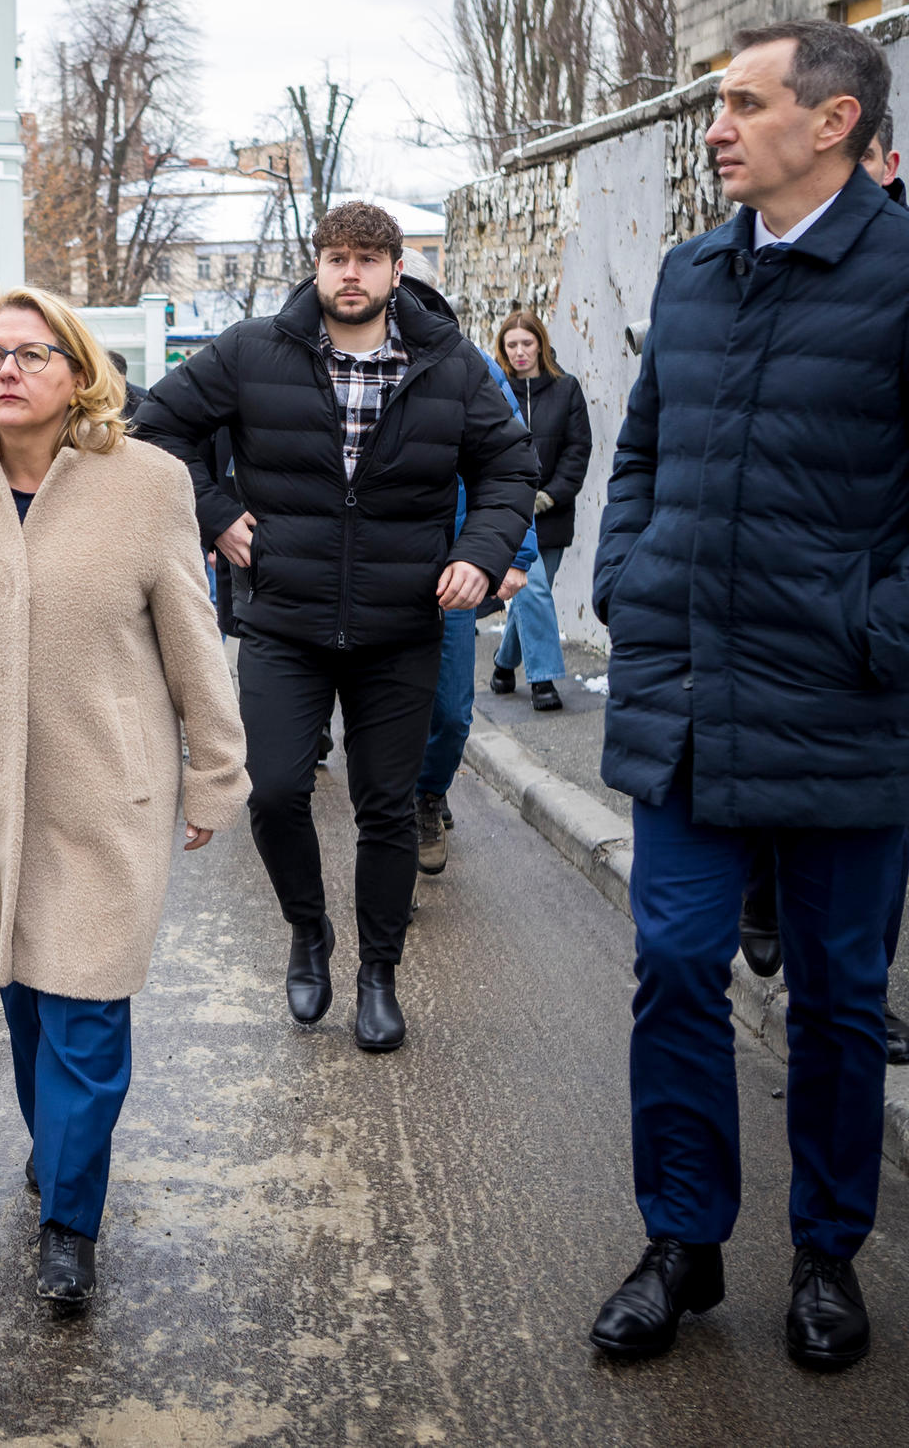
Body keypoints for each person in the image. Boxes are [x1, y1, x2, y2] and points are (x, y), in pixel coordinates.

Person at [585, 22, 909, 1373]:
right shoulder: (691, 275)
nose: (716, 124)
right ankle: (683, 1240)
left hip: (844, 709)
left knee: (840, 997)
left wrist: (879, 625)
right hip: (684, 703)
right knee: (674, 966)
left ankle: (830, 1251)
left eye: (744, 101)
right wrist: (629, 577)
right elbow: (646, 450)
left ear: (835, 120)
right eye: (717, 103)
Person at [0, 286, 246, 1308]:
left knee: (85, 1006)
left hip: (103, 791)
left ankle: (68, 1220)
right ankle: (60, 1150)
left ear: (79, 372)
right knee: (25, 1000)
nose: (9, 371)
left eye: (32, 354)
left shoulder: (148, 483)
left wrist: (216, 767)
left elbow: (192, 642)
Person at [141, 201, 536, 1052]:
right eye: (335, 257)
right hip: (285, 615)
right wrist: (214, 511)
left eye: (367, 258)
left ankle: (379, 973)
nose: (349, 273)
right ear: (316, 266)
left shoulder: (449, 364)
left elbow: (508, 463)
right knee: (277, 788)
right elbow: (158, 427)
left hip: (403, 623)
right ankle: (309, 931)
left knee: (385, 805)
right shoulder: (254, 350)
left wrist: (481, 547)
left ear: (397, 270)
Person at [736, 109, 909, 1067]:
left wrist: (899, 613)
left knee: (873, 843)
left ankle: (864, 992)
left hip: (873, 622)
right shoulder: (751, 267)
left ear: (886, 163)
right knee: (766, 791)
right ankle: (761, 895)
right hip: (760, 613)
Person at [406, 290, 538, 876]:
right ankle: (392, 829)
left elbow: (510, 464)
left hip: (455, 570)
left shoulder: (471, 366)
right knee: (384, 712)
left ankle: (429, 794)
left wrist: (516, 555)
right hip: (376, 573)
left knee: (453, 711)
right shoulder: (349, 364)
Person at [486, 309, 591, 713]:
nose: (519, 352)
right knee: (534, 590)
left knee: (530, 596)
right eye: (511, 345)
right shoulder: (493, 390)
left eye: (526, 343)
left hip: (553, 511)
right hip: (510, 513)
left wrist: (548, 496)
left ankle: (502, 664)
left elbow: (578, 450)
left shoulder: (567, 390)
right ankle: (543, 679)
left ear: (541, 344)